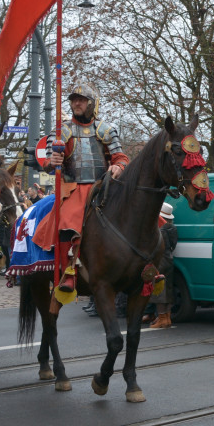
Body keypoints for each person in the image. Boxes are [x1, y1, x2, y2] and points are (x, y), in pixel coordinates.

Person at [33, 82, 129, 298]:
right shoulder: (61, 132)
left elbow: (120, 156)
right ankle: (69, 270)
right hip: (74, 187)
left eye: (81, 99)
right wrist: (53, 161)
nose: (76, 103)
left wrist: (119, 166)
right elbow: (47, 163)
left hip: (103, 185)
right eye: (73, 99)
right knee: (68, 219)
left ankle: (145, 266)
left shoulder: (106, 129)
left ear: (91, 104)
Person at [149, 202, 178, 329]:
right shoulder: (172, 227)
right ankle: (167, 317)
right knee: (168, 288)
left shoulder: (158, 227)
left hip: (159, 260)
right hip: (169, 258)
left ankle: (161, 318)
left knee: (159, 288)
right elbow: (173, 244)